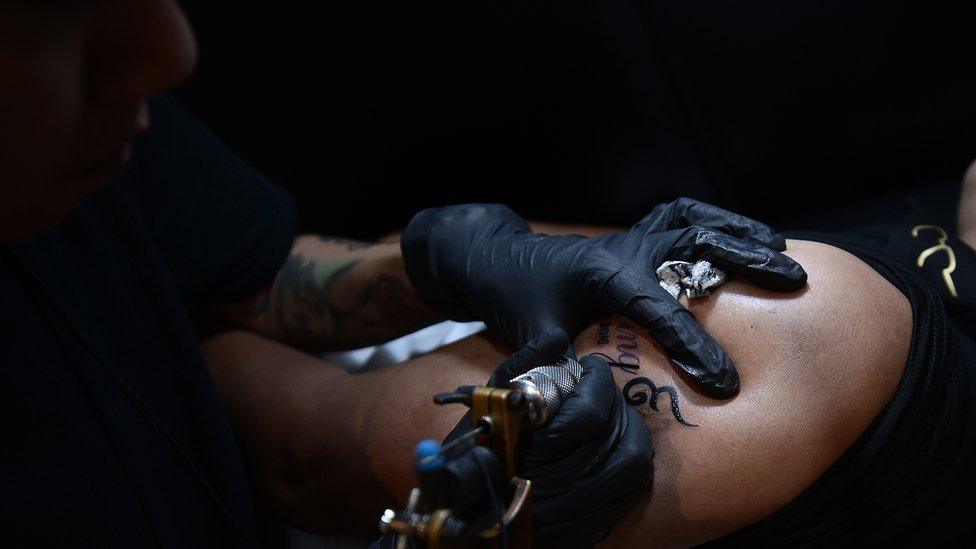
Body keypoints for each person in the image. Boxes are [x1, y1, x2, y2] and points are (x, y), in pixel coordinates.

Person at [0, 1, 807, 546]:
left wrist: (452, 263)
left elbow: (258, 282)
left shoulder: (89, 138)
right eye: (51, 10)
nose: (170, 49)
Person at [202, 160, 976, 545]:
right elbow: (262, 276)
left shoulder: (812, 350)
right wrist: (442, 257)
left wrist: (136, 307)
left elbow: (298, 451)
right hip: (376, 305)